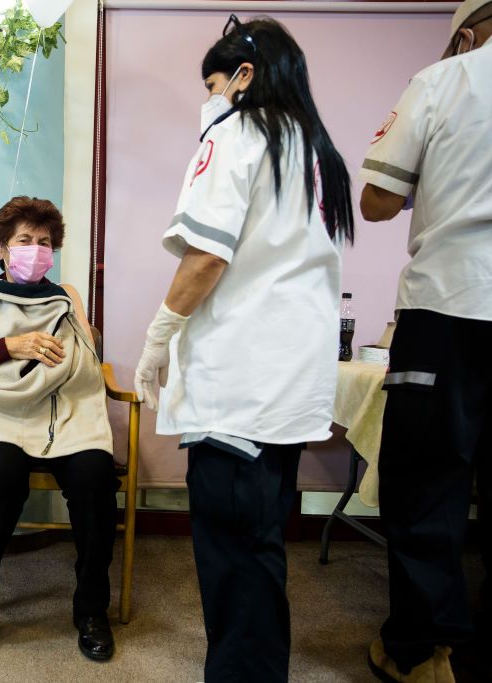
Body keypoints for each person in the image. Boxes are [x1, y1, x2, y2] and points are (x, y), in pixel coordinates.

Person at [133, 16, 354, 682]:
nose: (208, 99)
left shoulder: (236, 131)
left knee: (231, 556)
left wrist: (158, 334)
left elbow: (206, 257)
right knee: (259, 548)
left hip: (239, 386)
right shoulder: (316, 150)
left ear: (244, 76)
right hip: (288, 386)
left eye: (212, 84)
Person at [358, 1, 492, 680]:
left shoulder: (445, 79)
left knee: (427, 483)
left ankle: (425, 655)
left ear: (467, 36)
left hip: (451, 304)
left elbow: (378, 199)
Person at [0, 197, 120, 668]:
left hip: (62, 415)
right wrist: (7, 346)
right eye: (24, 241)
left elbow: (85, 363)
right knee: (1, 474)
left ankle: (92, 610)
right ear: (0, 248)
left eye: (44, 243)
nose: (35, 250)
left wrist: (77, 312)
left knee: (96, 476)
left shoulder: (63, 299)